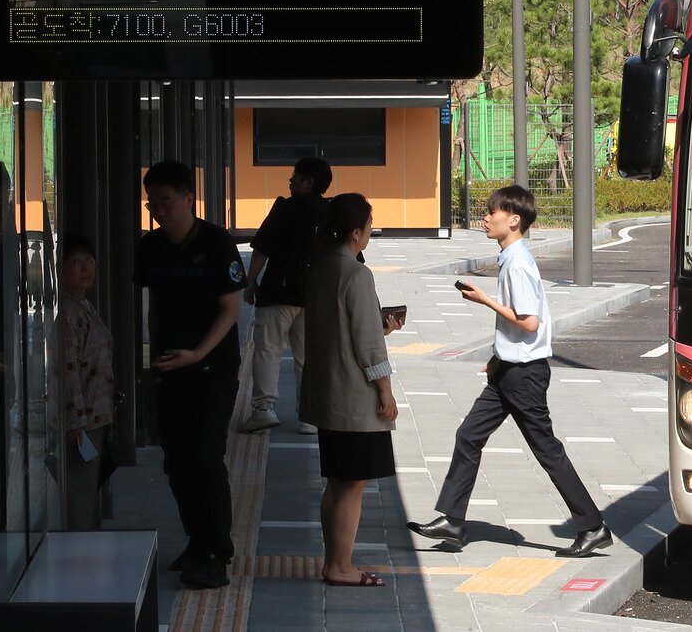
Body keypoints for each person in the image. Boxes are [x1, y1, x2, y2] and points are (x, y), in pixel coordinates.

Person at [408, 185, 611, 558]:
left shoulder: (517, 263)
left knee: (546, 450)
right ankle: (452, 520)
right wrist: (499, 358)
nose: (485, 217)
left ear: (513, 219)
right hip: (509, 371)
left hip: (525, 377)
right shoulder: (512, 258)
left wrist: (485, 300)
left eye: (492, 212)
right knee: (468, 436)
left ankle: (593, 526)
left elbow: (530, 323)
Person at [133, 159, 246, 590]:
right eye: (152, 202)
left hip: (212, 367)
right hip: (167, 366)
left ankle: (216, 551)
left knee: (204, 458)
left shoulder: (217, 243)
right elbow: (149, 304)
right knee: (176, 462)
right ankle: (197, 540)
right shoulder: (152, 246)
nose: (160, 209)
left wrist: (197, 353)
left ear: (188, 198)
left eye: (167, 200)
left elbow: (230, 310)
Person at [299, 193, 400, 587]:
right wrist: (385, 392)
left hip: (327, 392)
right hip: (354, 397)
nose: (371, 231)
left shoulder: (322, 267)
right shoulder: (357, 274)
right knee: (351, 485)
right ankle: (340, 566)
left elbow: (342, 328)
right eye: (369, 225)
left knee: (336, 481)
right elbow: (367, 345)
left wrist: (381, 324)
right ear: (356, 231)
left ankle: (334, 561)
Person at [241, 156, 333, 436]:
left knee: (268, 350)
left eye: (294, 175)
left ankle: (263, 410)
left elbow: (262, 247)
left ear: (308, 181)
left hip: (278, 292)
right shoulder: (329, 212)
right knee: (308, 357)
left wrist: (250, 281)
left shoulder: (285, 208)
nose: (290, 180)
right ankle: (309, 417)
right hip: (314, 297)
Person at [52, 234, 115, 529]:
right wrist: (74, 420)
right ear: (60, 269)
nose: (84, 267)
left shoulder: (83, 304)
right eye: (74, 262)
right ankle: (80, 553)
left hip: (94, 415)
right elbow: (68, 370)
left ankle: (88, 548)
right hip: (83, 420)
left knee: (89, 488)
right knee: (80, 491)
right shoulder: (67, 312)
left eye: (88, 260)